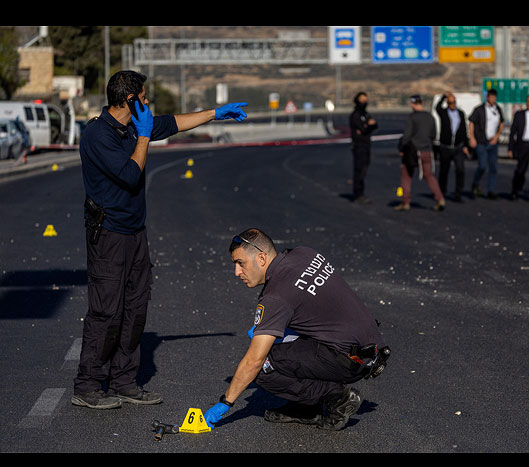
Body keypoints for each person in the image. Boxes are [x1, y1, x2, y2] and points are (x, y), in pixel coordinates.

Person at [72, 70, 247, 410]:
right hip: (108, 235)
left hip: (136, 233)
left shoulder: (137, 124)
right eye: (144, 96)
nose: (148, 101)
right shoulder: (97, 134)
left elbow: (174, 123)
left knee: (135, 309)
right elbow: (130, 174)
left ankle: (123, 380)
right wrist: (143, 137)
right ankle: (88, 384)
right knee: (106, 311)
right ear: (129, 100)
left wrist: (216, 112)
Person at [203, 229, 390, 431]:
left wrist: (225, 402)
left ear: (262, 258)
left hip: (347, 360)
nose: (237, 272)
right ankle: (307, 405)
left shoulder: (275, 297)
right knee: (281, 339)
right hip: (372, 348)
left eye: (241, 263)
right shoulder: (304, 254)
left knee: (263, 364)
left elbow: (253, 362)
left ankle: (337, 399)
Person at [395, 95, 446, 212]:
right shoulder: (430, 117)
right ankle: (440, 198)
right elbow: (433, 134)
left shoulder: (412, 118)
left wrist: (402, 148)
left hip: (413, 151)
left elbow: (407, 136)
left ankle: (405, 201)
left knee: (406, 175)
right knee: (429, 175)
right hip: (427, 150)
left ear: (412, 104)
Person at [469, 89, 504, 199]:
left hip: (493, 142)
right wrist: (472, 138)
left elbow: (502, 123)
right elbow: (471, 123)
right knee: (482, 166)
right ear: (487, 98)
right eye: (491, 97)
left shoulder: (498, 109)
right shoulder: (479, 109)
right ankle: (475, 183)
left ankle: (491, 190)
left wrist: (497, 136)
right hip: (481, 142)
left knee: (493, 168)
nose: (493, 99)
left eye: (495, 97)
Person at [435, 92, 470, 202]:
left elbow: (464, 129)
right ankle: (442, 192)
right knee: (444, 171)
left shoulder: (460, 113)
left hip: (458, 147)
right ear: (447, 104)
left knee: (460, 170)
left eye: (454, 102)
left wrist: (466, 145)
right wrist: (443, 97)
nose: (452, 105)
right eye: (450, 103)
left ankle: (458, 193)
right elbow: (437, 107)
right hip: (445, 146)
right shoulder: (444, 113)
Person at [349, 92, 378, 204]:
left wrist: (368, 126)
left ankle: (361, 193)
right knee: (359, 170)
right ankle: (357, 194)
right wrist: (367, 126)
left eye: (365, 99)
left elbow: (374, 125)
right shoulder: (355, 115)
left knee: (364, 169)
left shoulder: (365, 114)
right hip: (358, 146)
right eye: (362, 99)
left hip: (366, 145)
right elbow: (364, 128)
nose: (364, 102)